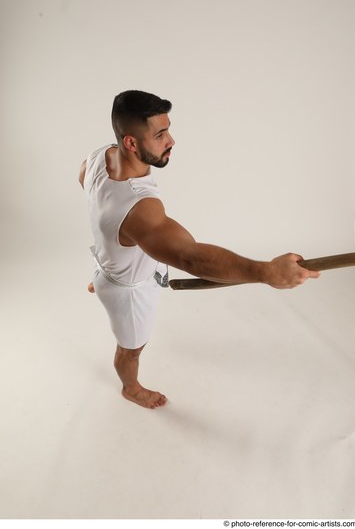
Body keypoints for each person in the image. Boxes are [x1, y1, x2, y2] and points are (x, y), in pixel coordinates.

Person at [79, 90, 320, 410]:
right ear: (131, 143)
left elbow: (86, 183)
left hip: (111, 263)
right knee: (131, 349)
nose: (171, 141)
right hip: (129, 292)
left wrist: (113, 235)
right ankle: (131, 388)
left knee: (111, 267)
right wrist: (266, 271)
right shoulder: (141, 210)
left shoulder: (99, 157)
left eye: (168, 129)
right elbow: (188, 256)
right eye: (160, 134)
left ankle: (104, 277)